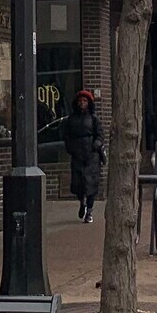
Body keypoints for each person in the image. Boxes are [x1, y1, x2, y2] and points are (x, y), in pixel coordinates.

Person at [62, 89, 104, 222]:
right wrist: (70, 148)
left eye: (85, 101)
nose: (82, 103)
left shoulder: (93, 119)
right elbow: (66, 136)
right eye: (80, 101)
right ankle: (82, 203)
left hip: (92, 156)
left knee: (91, 184)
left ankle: (89, 211)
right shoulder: (71, 119)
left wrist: (96, 145)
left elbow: (100, 134)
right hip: (77, 155)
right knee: (79, 183)